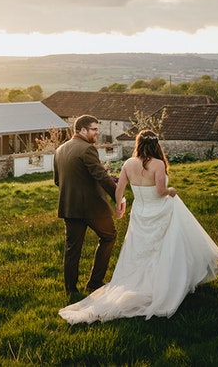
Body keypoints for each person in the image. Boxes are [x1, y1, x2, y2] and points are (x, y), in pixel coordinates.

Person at [59, 129, 218, 323]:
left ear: (138, 144)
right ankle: (164, 283)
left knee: (140, 249)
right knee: (163, 247)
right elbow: (161, 190)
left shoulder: (128, 164)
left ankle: (140, 283)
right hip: (159, 211)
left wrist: (119, 207)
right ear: (156, 145)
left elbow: (119, 190)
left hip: (139, 214)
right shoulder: (158, 164)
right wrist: (172, 190)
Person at [54, 115, 124, 299]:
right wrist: (119, 197)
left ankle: (71, 290)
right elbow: (101, 177)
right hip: (92, 207)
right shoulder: (87, 149)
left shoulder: (59, 150)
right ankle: (94, 283)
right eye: (94, 129)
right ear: (82, 130)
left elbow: (57, 181)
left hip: (69, 206)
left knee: (72, 249)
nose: (97, 133)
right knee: (109, 236)